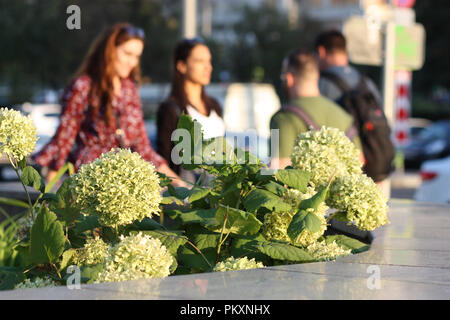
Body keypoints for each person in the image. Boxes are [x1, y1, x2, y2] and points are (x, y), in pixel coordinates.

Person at [33, 23, 185, 186]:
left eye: (136, 56)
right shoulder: (83, 86)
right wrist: (49, 191)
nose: (132, 62)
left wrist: (178, 183)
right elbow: (63, 139)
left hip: (124, 182)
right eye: (127, 54)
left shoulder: (130, 90)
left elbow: (143, 148)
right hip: (89, 180)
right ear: (110, 50)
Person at [315, 30, 395, 187]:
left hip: (338, 175)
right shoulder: (366, 83)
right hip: (373, 164)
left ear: (321, 51)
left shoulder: (321, 84)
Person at [270, 49, 361, 169]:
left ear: (289, 79)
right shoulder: (344, 116)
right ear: (316, 76)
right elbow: (360, 161)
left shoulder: (283, 118)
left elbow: (277, 167)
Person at [157, 37, 225, 177]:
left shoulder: (215, 106)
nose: (208, 67)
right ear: (181, 66)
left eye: (209, 61)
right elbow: (164, 160)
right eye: (200, 61)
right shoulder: (171, 110)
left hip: (217, 188)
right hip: (188, 190)